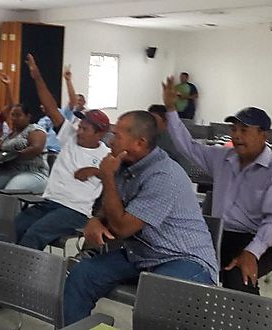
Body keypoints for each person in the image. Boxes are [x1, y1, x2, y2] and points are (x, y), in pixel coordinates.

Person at [64, 109, 218, 325]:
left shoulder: (164, 175)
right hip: (141, 254)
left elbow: (122, 228)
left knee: (152, 302)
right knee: (82, 274)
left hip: (182, 258)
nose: (109, 141)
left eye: (117, 136)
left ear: (139, 143)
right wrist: (95, 220)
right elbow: (104, 205)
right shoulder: (123, 163)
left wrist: (107, 175)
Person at [163, 77, 272, 294]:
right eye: (234, 129)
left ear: (263, 134)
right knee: (182, 262)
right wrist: (171, 110)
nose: (237, 135)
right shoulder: (222, 158)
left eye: (244, 130)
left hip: (261, 238)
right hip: (220, 233)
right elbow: (187, 146)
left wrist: (252, 252)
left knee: (238, 277)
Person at [12, 54, 111, 251]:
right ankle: (7, 271)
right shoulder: (71, 137)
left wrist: (95, 171)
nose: (79, 131)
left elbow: (119, 179)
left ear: (100, 134)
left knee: (34, 235)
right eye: (80, 126)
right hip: (50, 202)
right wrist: (37, 77)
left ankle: (22, 278)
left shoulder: (107, 155)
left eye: (85, 129)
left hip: (74, 210)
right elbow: (50, 107)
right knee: (14, 226)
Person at [0, 102, 48, 194]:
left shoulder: (34, 129)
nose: (14, 118)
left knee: (10, 192)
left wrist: (12, 155)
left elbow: (36, 148)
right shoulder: (7, 135)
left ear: (28, 116)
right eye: (12, 115)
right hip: (9, 170)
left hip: (33, 172)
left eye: (18, 115)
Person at [147, 104, 194, 170]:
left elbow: (185, 164)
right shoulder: (147, 136)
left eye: (154, 120)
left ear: (165, 121)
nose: (150, 123)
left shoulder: (175, 140)